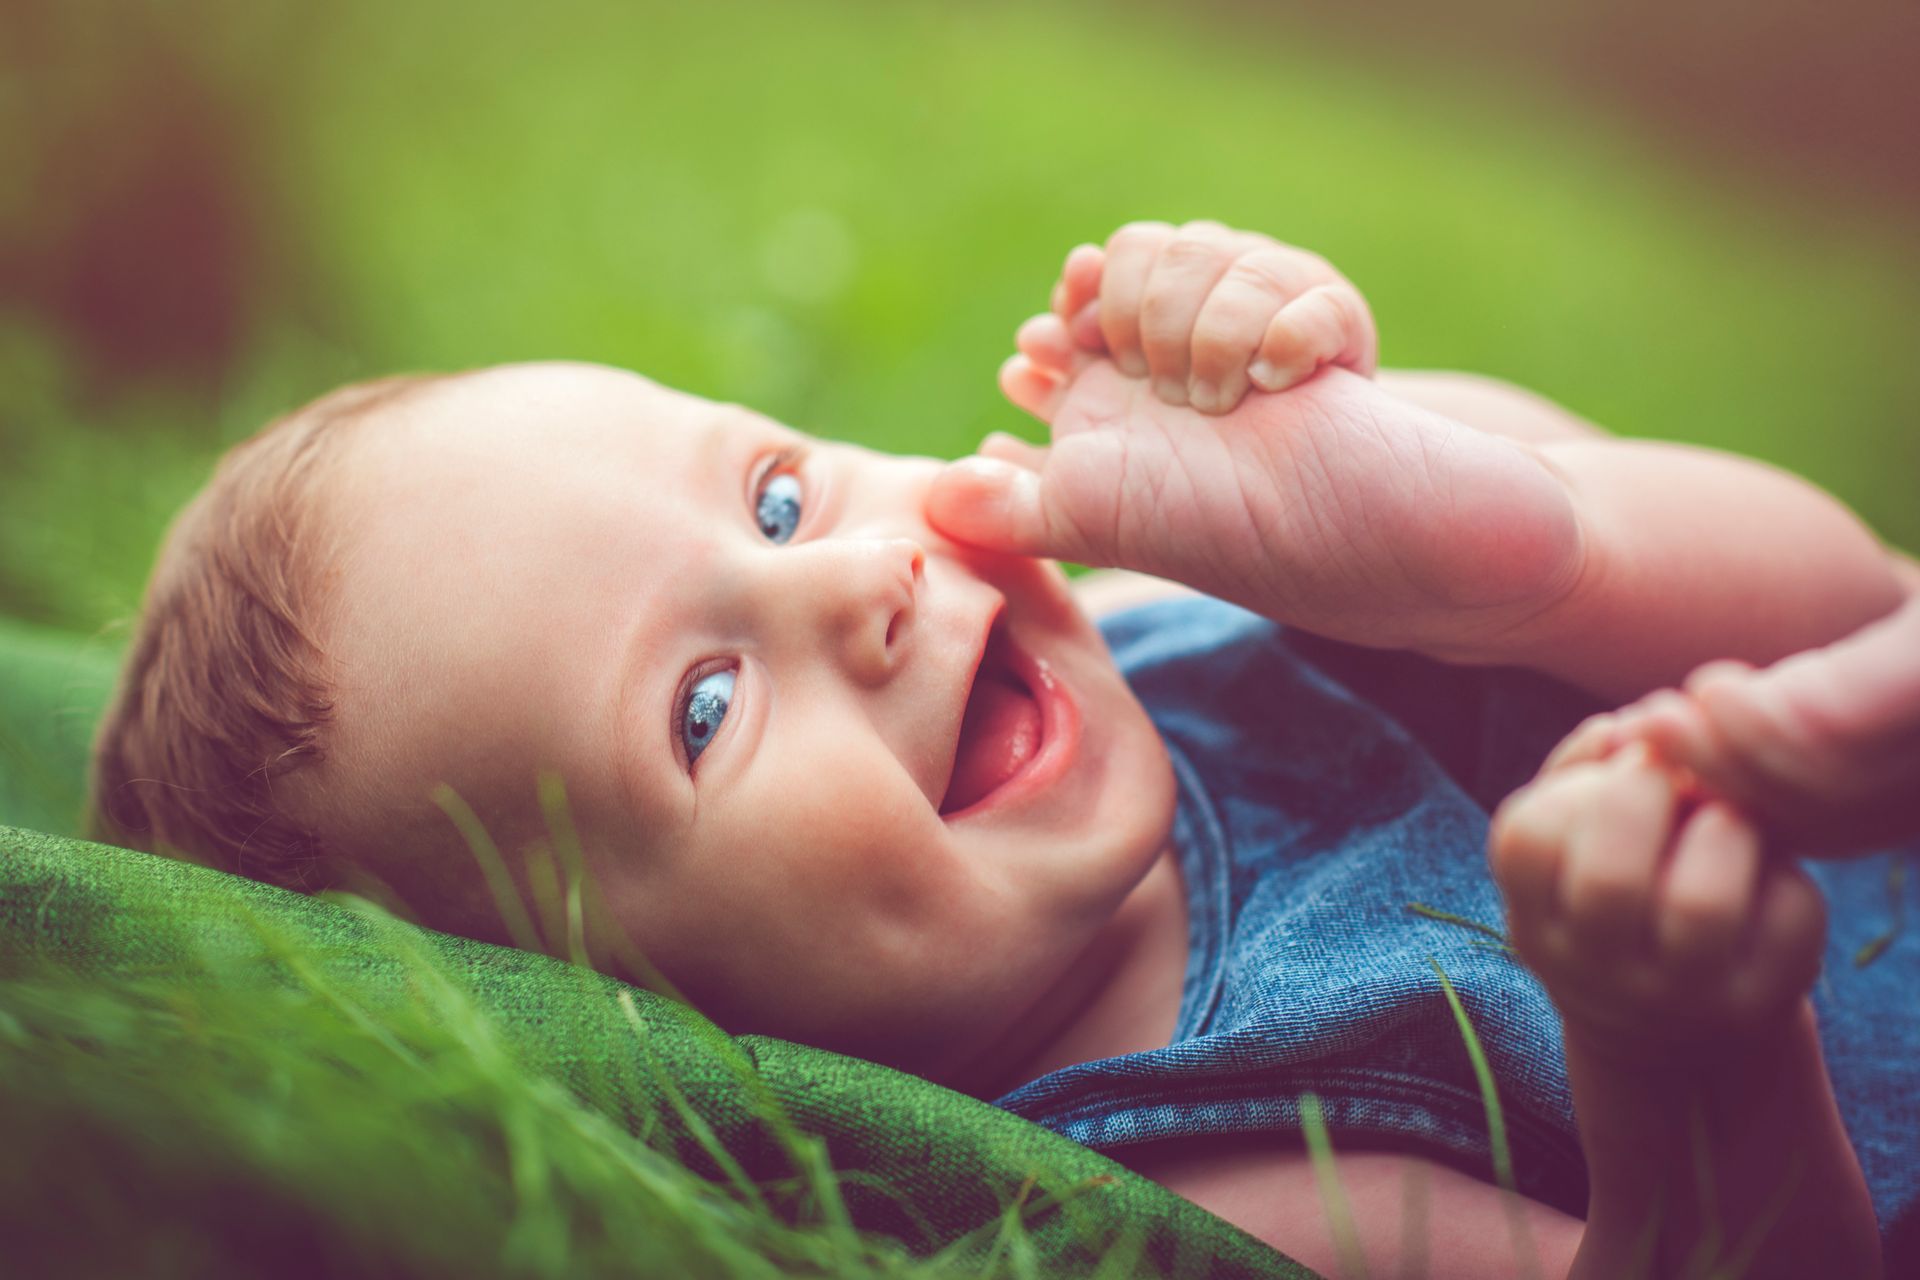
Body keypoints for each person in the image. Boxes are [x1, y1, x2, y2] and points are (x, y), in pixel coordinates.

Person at [89, 219, 1914, 1277]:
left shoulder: (1178, 595)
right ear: (649, 1015)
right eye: (702, 710)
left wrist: (1510, 550)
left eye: (781, 496)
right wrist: (1691, 1051)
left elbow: (1843, 599)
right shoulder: (1217, 1166)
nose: (858, 592)